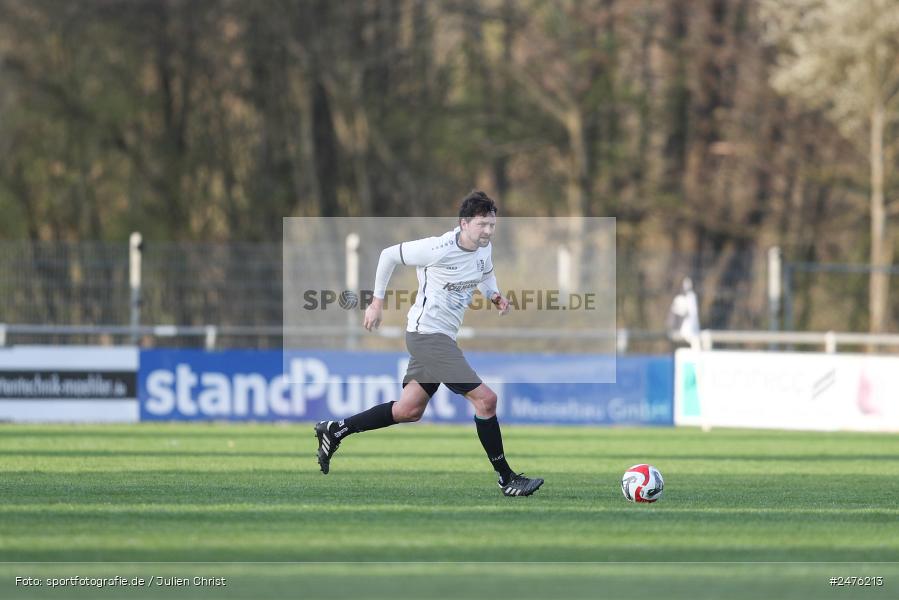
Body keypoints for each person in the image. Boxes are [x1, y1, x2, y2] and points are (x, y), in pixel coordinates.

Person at [314, 191, 544, 497]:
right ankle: (506, 478)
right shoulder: (438, 248)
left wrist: (494, 294)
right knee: (486, 400)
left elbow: (486, 274)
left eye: (492, 225)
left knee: (409, 410)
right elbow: (388, 255)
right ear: (464, 223)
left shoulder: (483, 250)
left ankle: (335, 429)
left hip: (441, 338)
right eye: (482, 225)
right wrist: (377, 302)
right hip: (427, 337)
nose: (488, 231)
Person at [667, 277, 701, 350]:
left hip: (692, 329)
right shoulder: (681, 299)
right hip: (685, 329)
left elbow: (692, 314)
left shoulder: (692, 297)